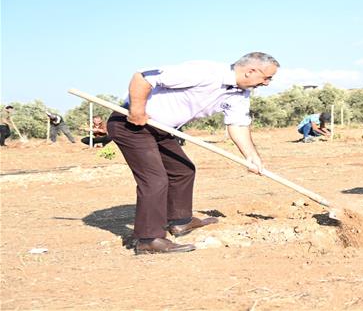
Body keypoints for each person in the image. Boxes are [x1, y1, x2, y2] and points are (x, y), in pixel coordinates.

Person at [107, 52, 279, 255]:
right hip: (131, 124)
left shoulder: (240, 94)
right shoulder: (205, 72)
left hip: (163, 129)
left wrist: (251, 156)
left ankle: (180, 222)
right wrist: (137, 109)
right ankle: (148, 239)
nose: (267, 83)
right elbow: (143, 77)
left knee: (183, 170)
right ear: (251, 71)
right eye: (267, 77)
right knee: (155, 180)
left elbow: (238, 124)